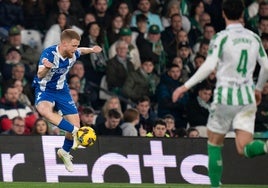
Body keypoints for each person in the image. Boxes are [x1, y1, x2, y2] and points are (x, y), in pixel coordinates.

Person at [172, 1, 268, 187]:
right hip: (247, 96)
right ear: (242, 14)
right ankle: (265, 146)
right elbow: (265, 66)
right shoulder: (254, 37)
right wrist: (258, 88)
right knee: (244, 147)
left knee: (214, 143)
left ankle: (215, 186)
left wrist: (185, 86)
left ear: (223, 13)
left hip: (226, 95)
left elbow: (209, 66)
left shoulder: (221, 37)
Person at [32, 29, 102, 172]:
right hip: (45, 90)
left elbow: (81, 51)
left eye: (77, 45)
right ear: (64, 44)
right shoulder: (49, 54)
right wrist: (46, 68)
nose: (75, 49)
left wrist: (92, 50)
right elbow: (39, 75)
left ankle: (64, 151)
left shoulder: (73, 53)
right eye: (74, 45)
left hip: (62, 91)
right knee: (44, 110)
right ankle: (76, 131)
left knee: (75, 123)